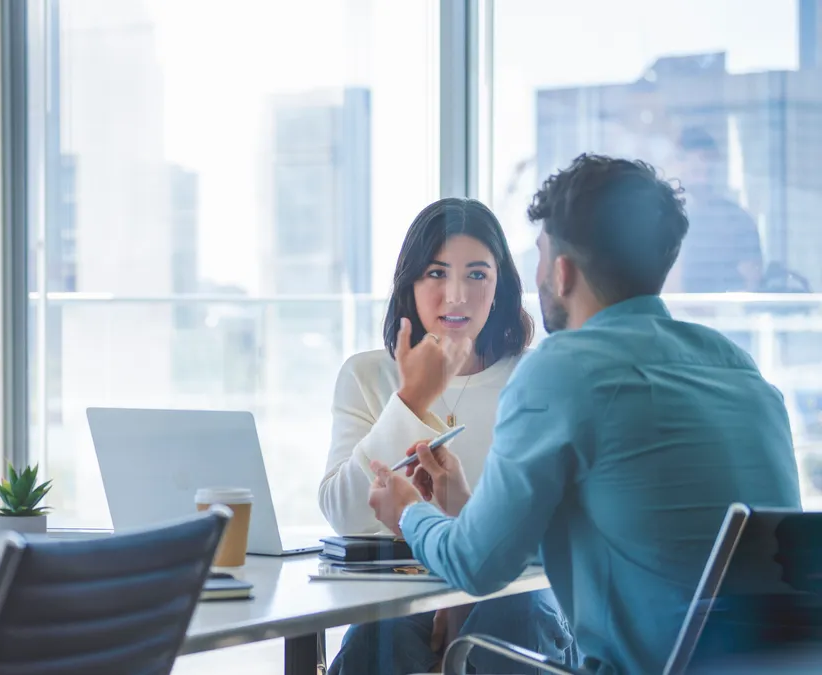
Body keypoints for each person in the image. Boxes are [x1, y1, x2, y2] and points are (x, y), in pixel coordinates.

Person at [366, 154, 801, 674]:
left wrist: (409, 511)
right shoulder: (741, 370)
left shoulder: (562, 370)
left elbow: (474, 567)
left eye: (542, 255)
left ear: (562, 272)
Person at [319, 198, 575, 674]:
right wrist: (411, 401)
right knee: (383, 633)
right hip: (402, 597)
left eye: (477, 275)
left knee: (514, 618)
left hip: (519, 594)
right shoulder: (367, 374)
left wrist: (462, 591)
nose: (455, 295)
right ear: (410, 284)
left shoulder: (536, 376)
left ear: (499, 288)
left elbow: (555, 529)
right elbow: (347, 517)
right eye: (436, 274)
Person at [670, 126, 763, 293]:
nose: (700, 166)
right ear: (677, 165)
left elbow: (752, 283)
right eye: (690, 162)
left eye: (705, 160)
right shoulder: (660, 219)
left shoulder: (737, 219)